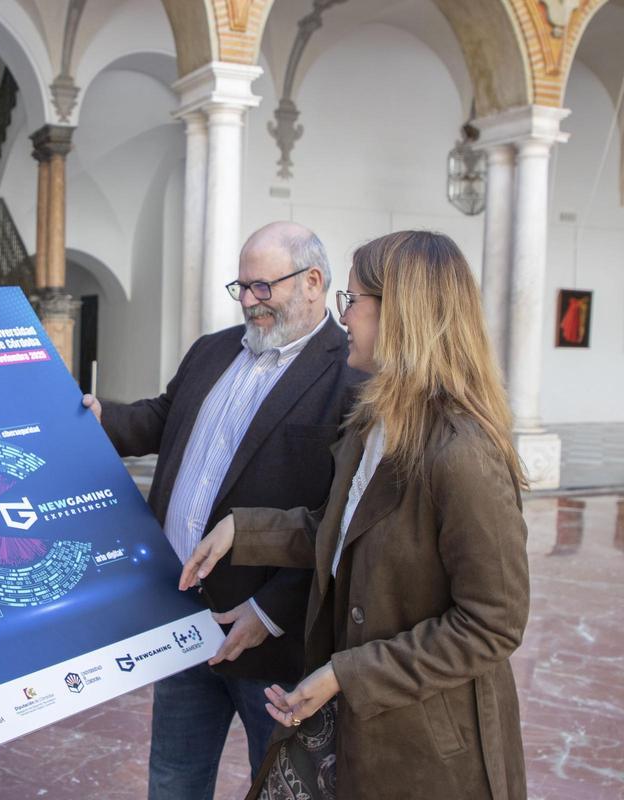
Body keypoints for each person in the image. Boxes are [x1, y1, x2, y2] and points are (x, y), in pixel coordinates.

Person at [183, 230, 530, 799]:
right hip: (362, 734)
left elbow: (492, 623)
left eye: (353, 300)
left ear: (403, 313)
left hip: (430, 748)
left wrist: (348, 673)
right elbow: (337, 531)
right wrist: (242, 529)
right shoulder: (377, 421)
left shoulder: (463, 451)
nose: (342, 315)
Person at [83, 221, 365, 796]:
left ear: (313, 281)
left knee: (276, 785)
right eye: (242, 287)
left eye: (264, 287)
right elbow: (161, 418)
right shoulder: (214, 349)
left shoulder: (352, 375)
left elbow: (341, 520)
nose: (251, 302)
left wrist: (270, 610)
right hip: (183, 614)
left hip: (268, 637)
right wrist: (101, 417)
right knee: (174, 778)